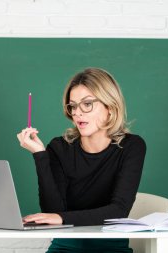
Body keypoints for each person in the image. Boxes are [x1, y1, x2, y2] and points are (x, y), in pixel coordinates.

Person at [17, 67, 146, 253]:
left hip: (110, 248)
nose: (77, 113)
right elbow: (52, 211)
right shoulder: (59, 147)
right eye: (73, 106)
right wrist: (39, 155)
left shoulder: (132, 146)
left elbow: (118, 211)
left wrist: (62, 218)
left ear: (110, 107)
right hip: (65, 247)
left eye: (87, 104)